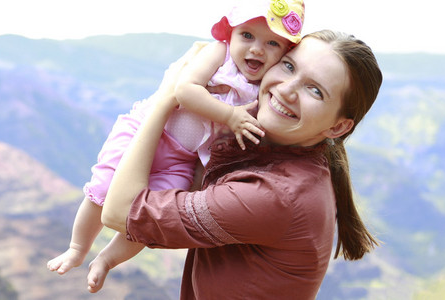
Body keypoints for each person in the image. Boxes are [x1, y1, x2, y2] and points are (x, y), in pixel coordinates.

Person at [97, 30, 382, 299]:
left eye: (315, 91)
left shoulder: (274, 196)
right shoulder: (263, 139)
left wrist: (164, 100)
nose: (286, 90)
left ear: (338, 127)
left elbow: (120, 212)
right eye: (288, 66)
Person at [47, 0, 306, 281]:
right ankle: (77, 247)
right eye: (247, 35)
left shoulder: (263, 88)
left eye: (272, 44)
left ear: (284, 53)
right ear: (230, 33)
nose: (257, 48)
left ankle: (107, 259)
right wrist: (230, 115)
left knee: (151, 213)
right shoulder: (219, 53)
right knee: (103, 188)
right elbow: (184, 90)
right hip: (144, 131)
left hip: (181, 158)